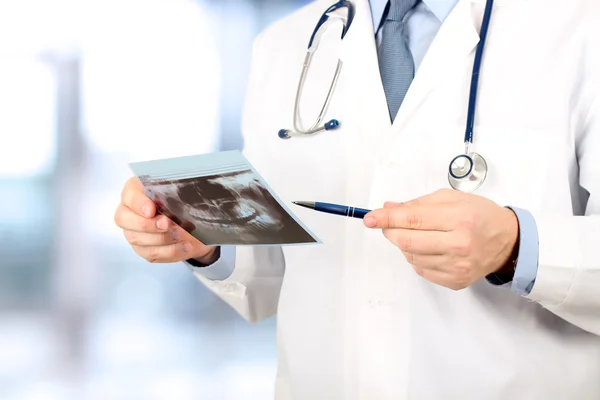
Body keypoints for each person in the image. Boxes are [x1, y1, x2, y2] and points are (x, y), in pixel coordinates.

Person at [114, 0, 600, 398]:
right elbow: (273, 275)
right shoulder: (286, 45)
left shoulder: (580, 26)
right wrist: (204, 243)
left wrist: (516, 246)